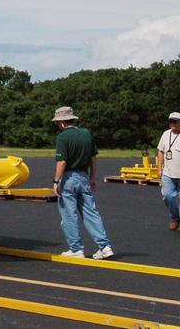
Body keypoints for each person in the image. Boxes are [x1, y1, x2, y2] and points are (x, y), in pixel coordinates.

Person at [52, 105, 114, 259]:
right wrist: (93, 177)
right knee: (91, 212)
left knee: (69, 215)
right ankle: (104, 246)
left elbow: (62, 162)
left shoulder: (63, 137)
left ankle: (76, 249)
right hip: (84, 176)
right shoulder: (86, 134)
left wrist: (56, 181)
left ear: (62, 123)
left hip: (69, 178)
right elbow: (93, 157)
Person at [156, 111, 180, 231]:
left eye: (175, 121)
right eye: (171, 121)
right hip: (168, 174)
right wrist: (159, 168)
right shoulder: (165, 134)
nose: (173, 124)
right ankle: (175, 218)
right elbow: (161, 151)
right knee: (167, 196)